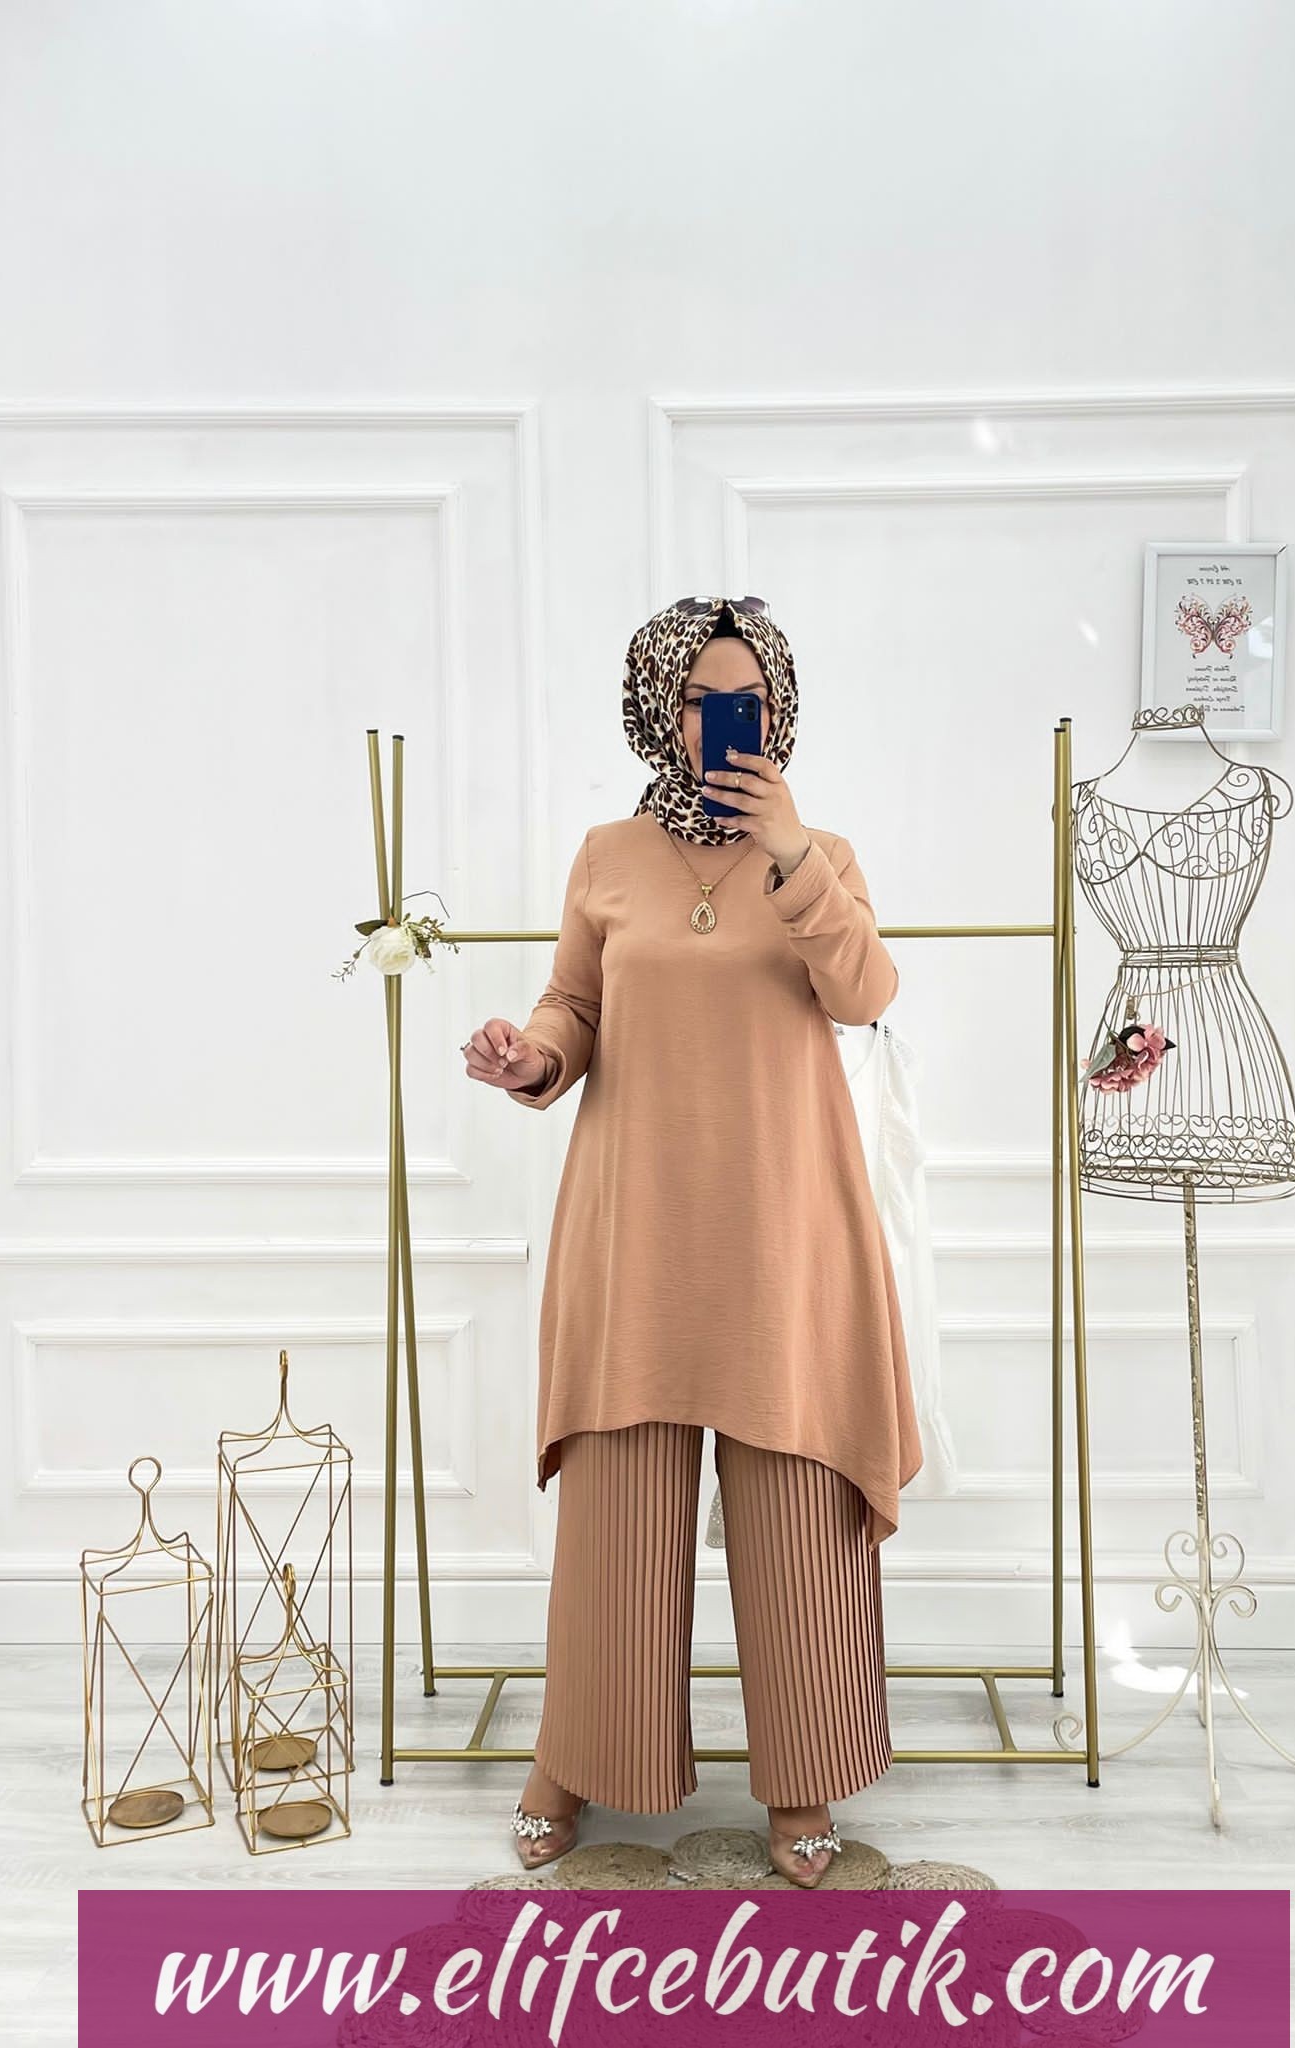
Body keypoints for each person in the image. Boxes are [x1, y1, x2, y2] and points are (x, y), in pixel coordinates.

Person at [461, 594, 922, 1886]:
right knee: (619, 1513)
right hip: (639, 1219)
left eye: (752, 702)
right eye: (703, 702)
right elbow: (575, 1002)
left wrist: (789, 850)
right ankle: (574, 1757)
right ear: (658, 713)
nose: (732, 723)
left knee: (799, 1503)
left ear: (781, 709)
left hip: (786, 1222)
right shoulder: (608, 855)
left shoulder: (820, 852)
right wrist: (533, 1055)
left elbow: (865, 993)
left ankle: (805, 1776)